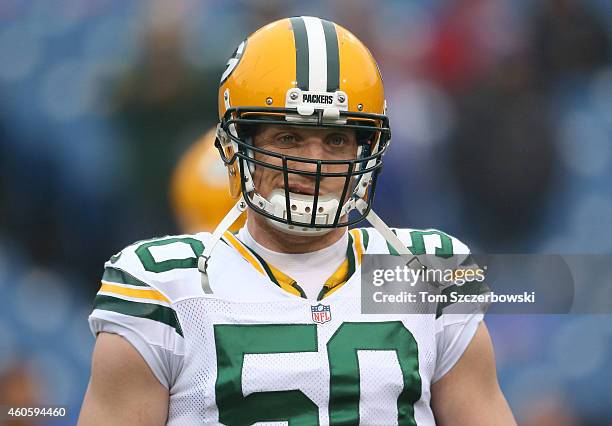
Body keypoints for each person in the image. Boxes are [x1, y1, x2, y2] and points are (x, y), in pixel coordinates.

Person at [79, 16, 516, 425]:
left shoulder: (423, 270)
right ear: (236, 146)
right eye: (288, 137)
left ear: (366, 150)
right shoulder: (164, 283)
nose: (314, 163)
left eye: (337, 139)